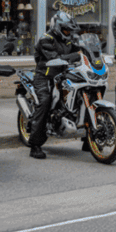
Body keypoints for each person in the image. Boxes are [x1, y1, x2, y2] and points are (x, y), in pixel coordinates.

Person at [28, 10, 80, 159]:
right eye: (66, 29)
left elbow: (81, 50)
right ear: (57, 27)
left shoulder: (68, 40)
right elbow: (55, 57)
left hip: (62, 76)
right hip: (44, 76)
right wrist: (77, 55)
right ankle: (35, 145)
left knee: (79, 97)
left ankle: (89, 139)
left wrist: (91, 52)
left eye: (70, 30)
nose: (68, 32)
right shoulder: (46, 39)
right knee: (45, 101)